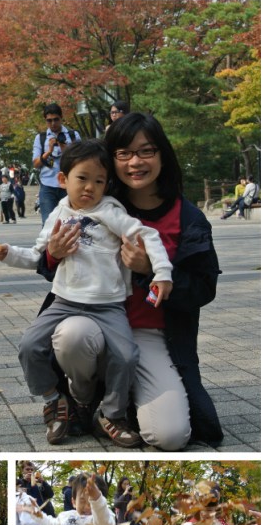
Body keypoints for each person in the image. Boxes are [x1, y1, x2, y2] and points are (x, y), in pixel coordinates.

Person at [43, 112, 222, 449]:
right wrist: (53, 253)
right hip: (94, 321)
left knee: (170, 436)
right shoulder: (92, 203)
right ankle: (84, 400)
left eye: (146, 151)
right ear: (109, 162)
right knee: (72, 335)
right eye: (123, 154)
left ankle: (117, 406)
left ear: (163, 155)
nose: (135, 162)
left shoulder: (187, 217)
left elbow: (202, 288)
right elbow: (51, 268)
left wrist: (148, 270)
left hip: (149, 334)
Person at [0, 139, 173, 447]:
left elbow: (148, 234)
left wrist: (162, 272)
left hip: (109, 305)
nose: (90, 187)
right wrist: (9, 253)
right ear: (63, 180)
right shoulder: (58, 214)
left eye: (99, 181)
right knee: (29, 345)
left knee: (127, 356)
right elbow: (39, 255)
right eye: (82, 178)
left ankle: (111, 414)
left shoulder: (111, 212)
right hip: (64, 302)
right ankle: (54, 399)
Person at [32, 103, 81, 223]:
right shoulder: (41, 138)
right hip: (47, 185)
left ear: (61, 118)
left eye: (56, 119)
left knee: (70, 222)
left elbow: (80, 160)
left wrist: (64, 147)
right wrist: (48, 151)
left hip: (69, 184)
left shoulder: (73, 135)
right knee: (48, 223)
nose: (53, 123)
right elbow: (36, 163)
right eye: (49, 120)